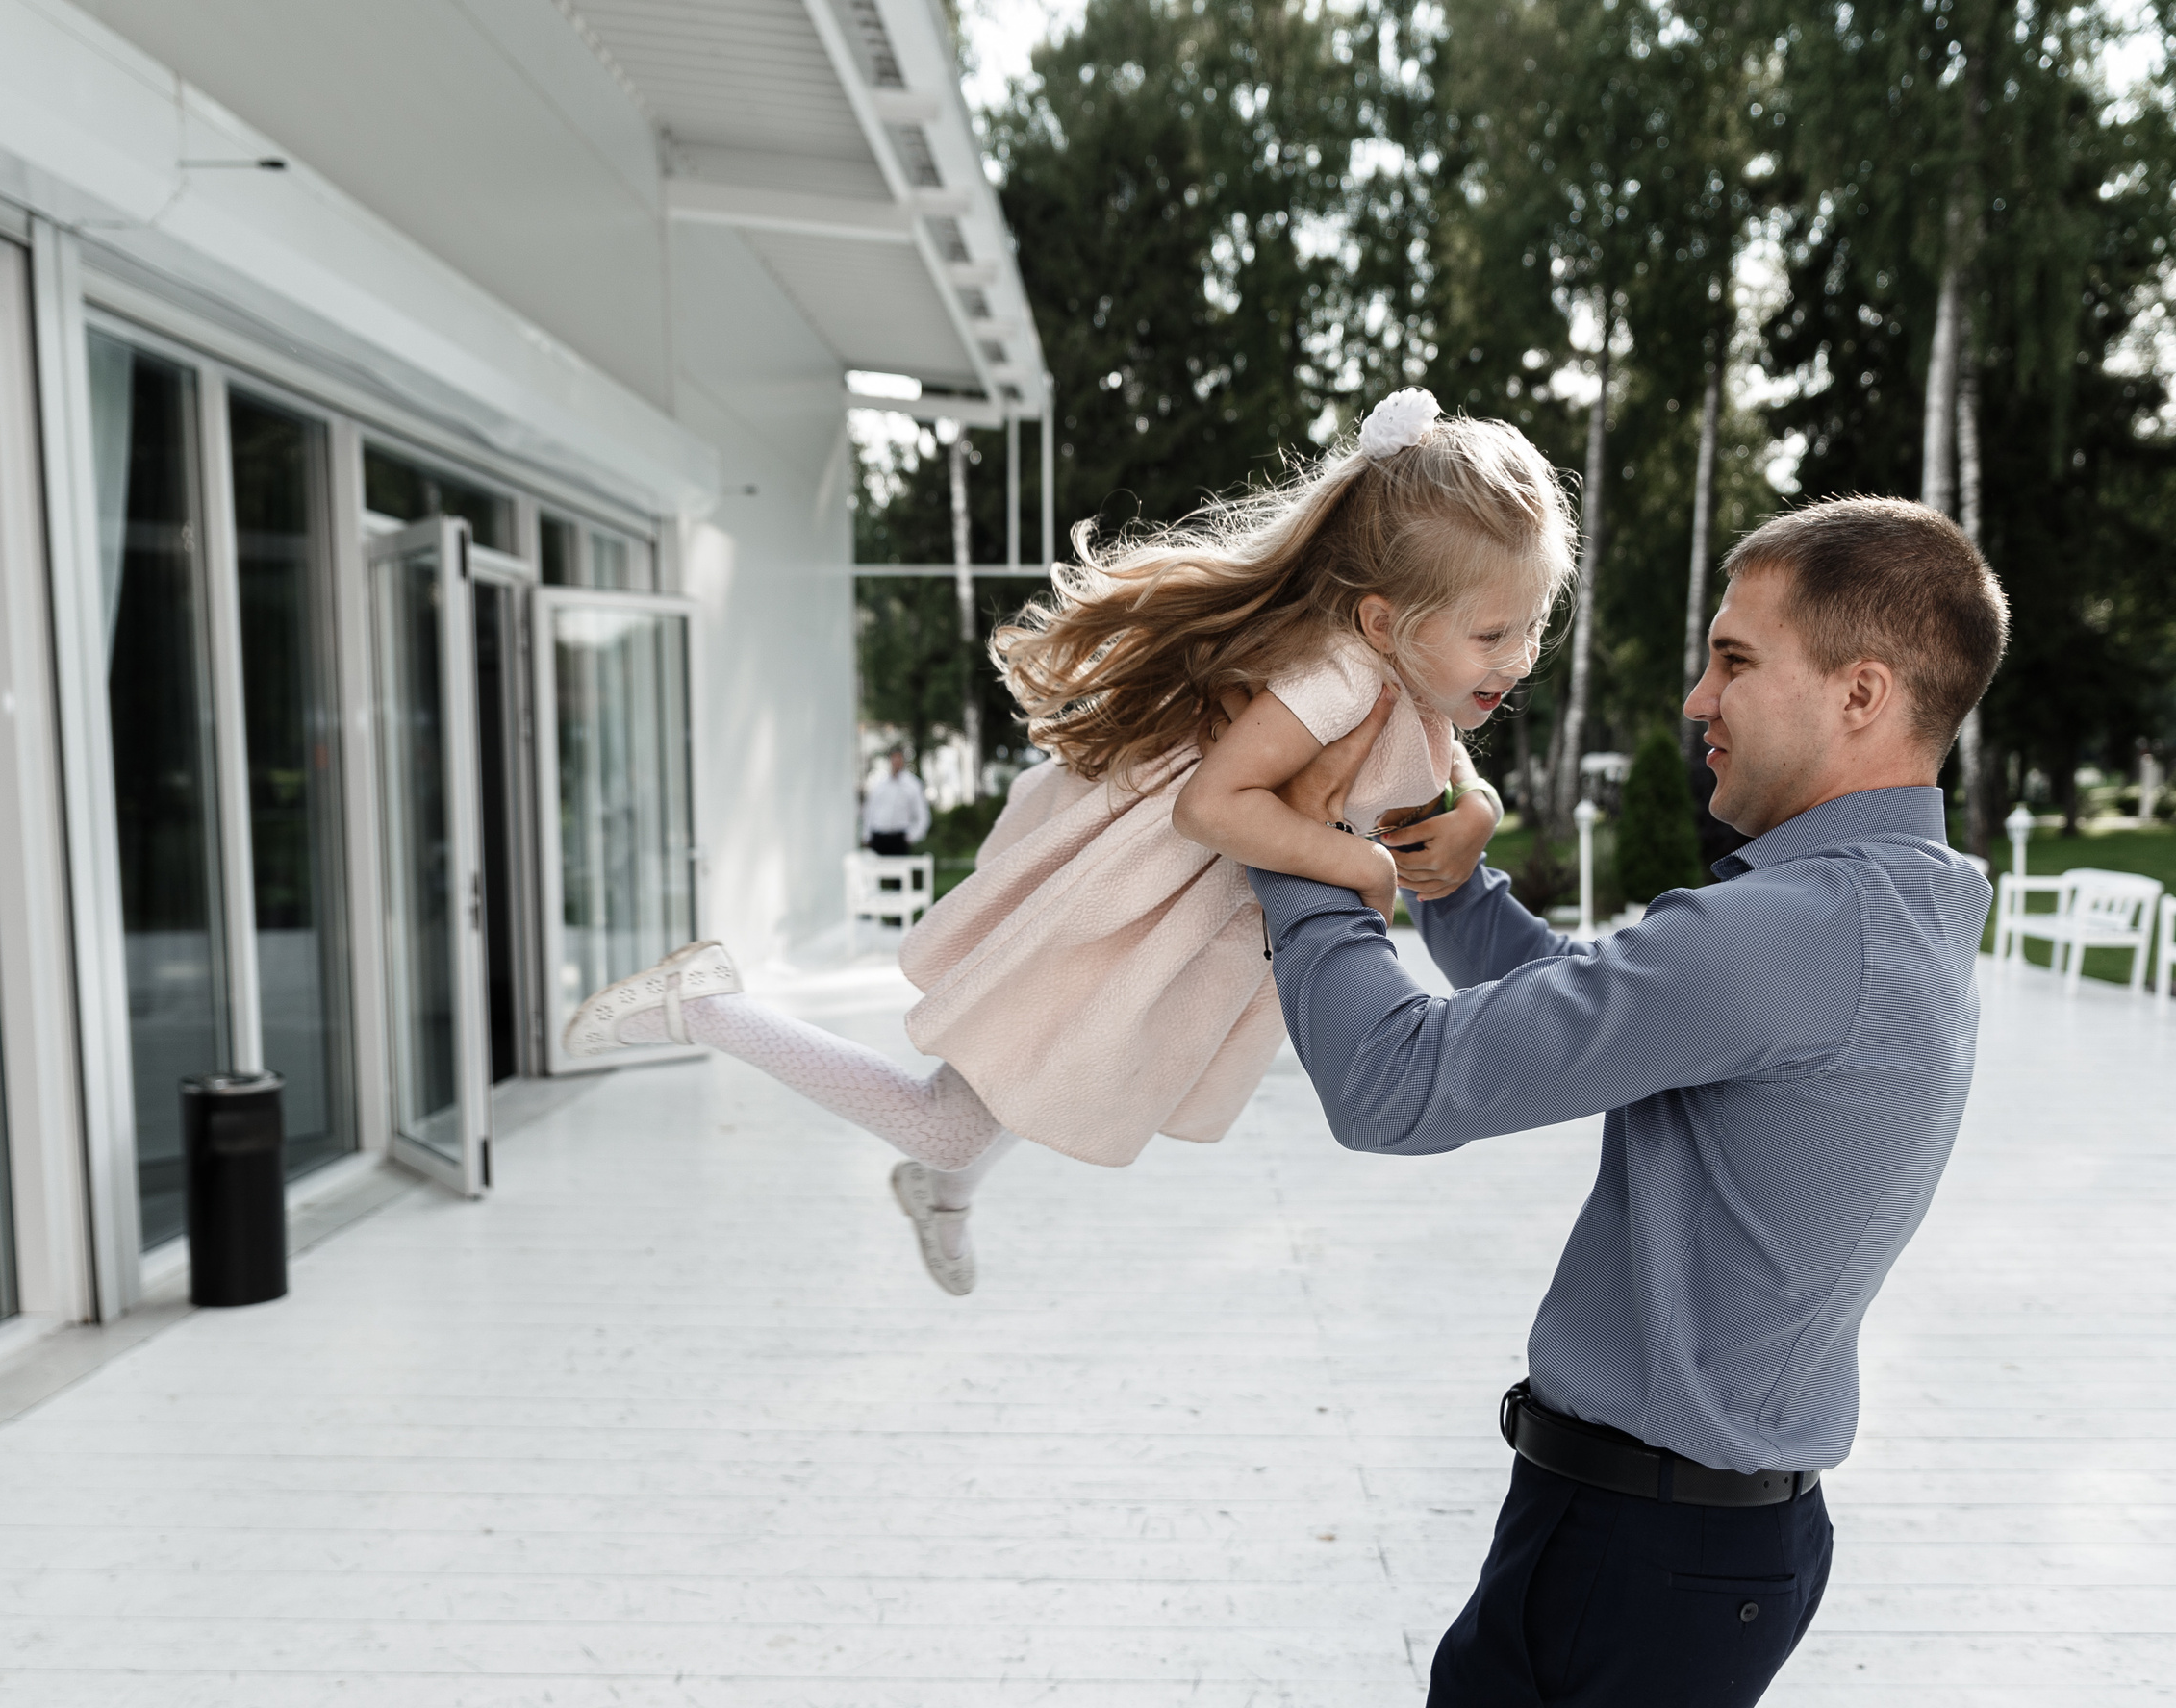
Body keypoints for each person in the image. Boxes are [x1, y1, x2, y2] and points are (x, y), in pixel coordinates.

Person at [1237, 496, 2006, 1706]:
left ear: (1861, 694)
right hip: (1702, 1545)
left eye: (1735, 661)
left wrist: (1294, 842)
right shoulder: (1905, 899)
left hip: (1638, 1553)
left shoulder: (1794, 928)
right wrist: (1455, 891)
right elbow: (1615, 1006)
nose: (1698, 699)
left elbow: (1390, 1083)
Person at [557, 390, 1568, 1294]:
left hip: (1172, 930)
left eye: (1533, 626)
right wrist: (1362, 865)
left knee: (1063, 1075)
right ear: (1384, 620)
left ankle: (942, 1195)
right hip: (1133, 906)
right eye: (1493, 635)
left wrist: (1474, 808)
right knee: (958, 1111)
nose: (1519, 658)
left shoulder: (1401, 672)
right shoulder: (1340, 678)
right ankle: (709, 1007)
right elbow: (1213, 805)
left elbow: (1437, 758)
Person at [862, 747, 930, 856]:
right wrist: (866, 835)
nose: (896, 762)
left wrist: (912, 836)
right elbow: (870, 811)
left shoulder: (912, 785)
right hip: (878, 838)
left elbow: (922, 814)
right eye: (894, 758)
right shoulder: (879, 784)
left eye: (899, 759)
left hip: (899, 839)